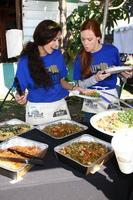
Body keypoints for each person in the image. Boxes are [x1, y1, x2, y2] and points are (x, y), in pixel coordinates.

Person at [15, 20, 81, 125]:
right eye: (53, 40)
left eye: (58, 40)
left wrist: (74, 88)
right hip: (37, 110)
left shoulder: (58, 55)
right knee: (38, 140)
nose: (56, 44)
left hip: (59, 106)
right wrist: (19, 96)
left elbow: (61, 81)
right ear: (42, 38)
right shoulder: (25, 61)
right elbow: (19, 87)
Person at [73, 19, 133, 124]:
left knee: (111, 127)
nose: (85, 43)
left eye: (89, 39)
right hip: (91, 98)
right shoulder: (80, 57)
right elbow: (79, 85)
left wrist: (123, 73)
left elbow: (117, 69)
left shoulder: (111, 50)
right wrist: (95, 79)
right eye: (83, 39)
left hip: (111, 96)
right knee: (91, 130)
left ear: (98, 37)